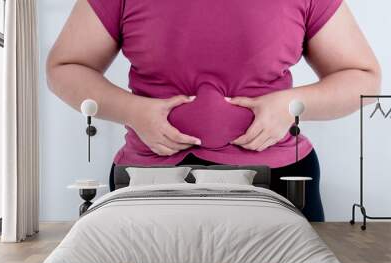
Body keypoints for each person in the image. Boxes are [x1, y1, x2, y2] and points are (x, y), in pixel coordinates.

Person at [47, 0, 381, 222]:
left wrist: (289, 107)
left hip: (277, 175)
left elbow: (362, 77)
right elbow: (64, 67)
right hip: (151, 177)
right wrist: (132, 111)